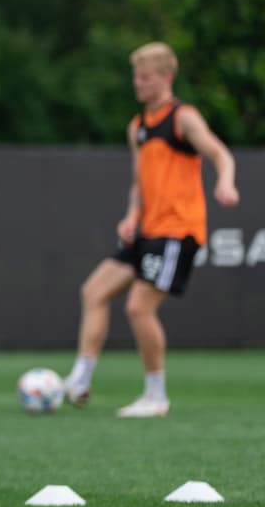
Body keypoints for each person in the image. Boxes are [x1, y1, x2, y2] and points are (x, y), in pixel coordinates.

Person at [63, 42, 238, 417]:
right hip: (147, 230)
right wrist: (130, 216)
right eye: (136, 77)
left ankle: (156, 396)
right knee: (93, 290)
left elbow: (220, 153)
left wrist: (225, 182)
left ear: (166, 77)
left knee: (139, 308)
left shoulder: (182, 118)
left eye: (145, 78)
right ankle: (79, 380)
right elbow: (139, 183)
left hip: (178, 231)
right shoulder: (138, 127)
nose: (138, 84)